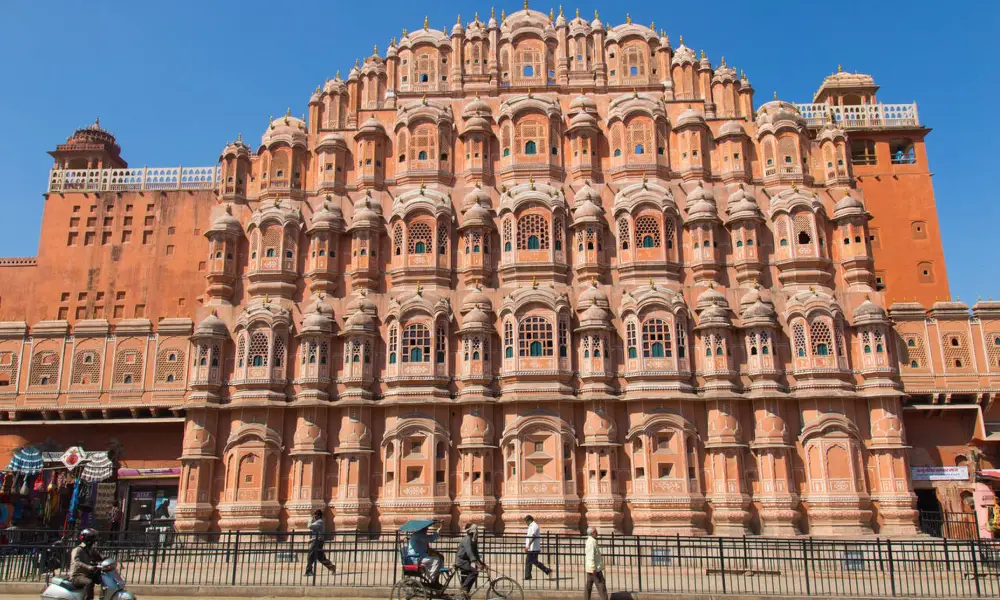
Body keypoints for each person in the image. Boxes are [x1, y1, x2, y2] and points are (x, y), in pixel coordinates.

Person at [69, 528, 104, 600]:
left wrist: (109, 560)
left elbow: (100, 556)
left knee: (101, 579)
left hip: (87, 574)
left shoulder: (90, 549)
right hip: (77, 576)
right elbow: (76, 562)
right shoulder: (78, 549)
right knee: (89, 582)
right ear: (88, 539)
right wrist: (88, 567)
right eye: (93, 540)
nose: (94, 542)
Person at [455, 524, 485, 599]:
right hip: (461, 562)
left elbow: (475, 552)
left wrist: (481, 562)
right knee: (474, 572)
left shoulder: (473, 540)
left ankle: (465, 593)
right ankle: (464, 589)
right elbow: (470, 552)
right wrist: (476, 563)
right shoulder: (467, 539)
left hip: (466, 562)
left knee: (465, 580)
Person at [305, 509, 337, 576]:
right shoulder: (318, 522)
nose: (314, 516)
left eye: (315, 515)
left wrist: (310, 519)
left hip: (317, 541)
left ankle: (309, 571)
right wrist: (311, 540)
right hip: (317, 540)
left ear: (319, 515)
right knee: (321, 557)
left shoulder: (319, 522)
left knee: (310, 555)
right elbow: (317, 533)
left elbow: (309, 526)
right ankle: (331, 567)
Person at [523, 515, 552, 581]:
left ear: (529, 520)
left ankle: (546, 570)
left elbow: (533, 536)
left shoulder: (534, 526)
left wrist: (528, 545)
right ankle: (528, 576)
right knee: (528, 561)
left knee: (533, 561)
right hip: (531, 548)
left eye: (526, 521)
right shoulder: (531, 526)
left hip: (534, 548)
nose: (526, 523)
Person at [584, 527, 608, 600]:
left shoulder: (589, 541)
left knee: (588, 586)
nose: (597, 532)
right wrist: (593, 567)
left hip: (590, 568)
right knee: (601, 585)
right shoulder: (592, 542)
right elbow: (591, 555)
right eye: (595, 531)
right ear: (593, 533)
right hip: (595, 569)